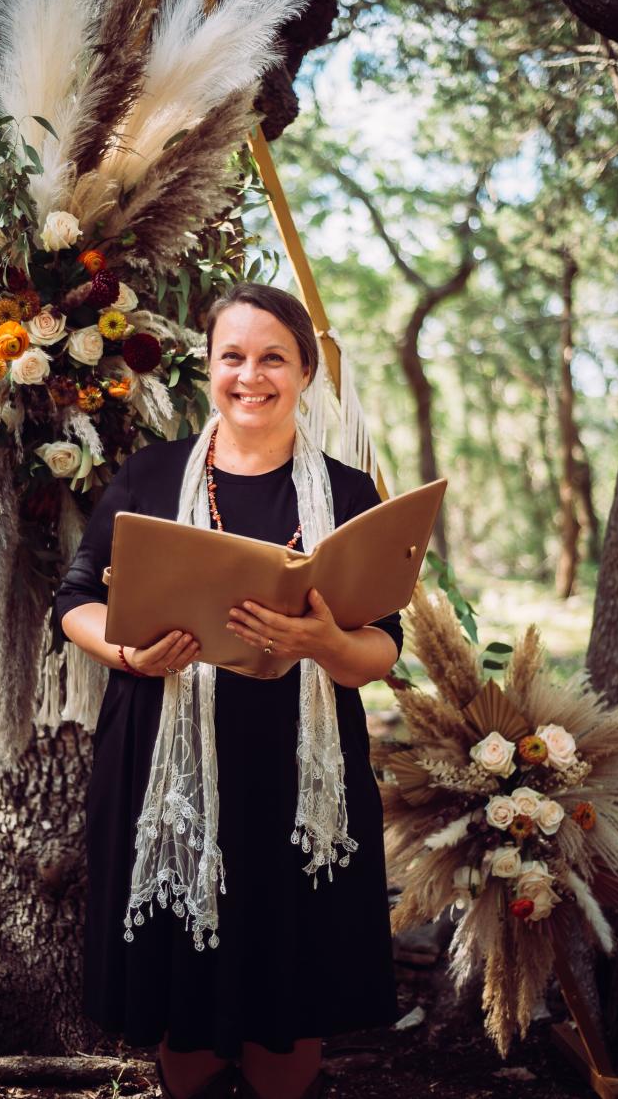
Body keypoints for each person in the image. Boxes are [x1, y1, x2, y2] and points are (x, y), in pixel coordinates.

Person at [54, 282, 403, 1099]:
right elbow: (75, 602)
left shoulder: (349, 495)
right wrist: (131, 654)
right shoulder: (151, 475)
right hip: (163, 762)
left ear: (307, 373)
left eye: (273, 357)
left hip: (293, 774)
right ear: (208, 368)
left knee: (291, 990)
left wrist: (323, 643)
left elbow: (383, 647)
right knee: (185, 997)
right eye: (233, 357)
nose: (252, 375)